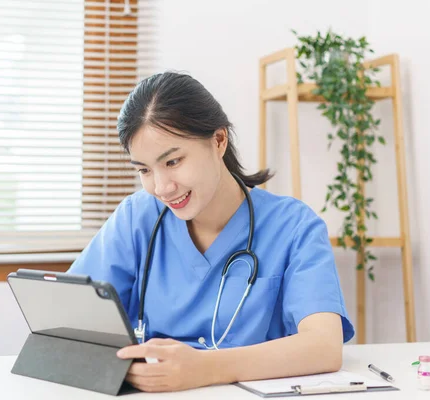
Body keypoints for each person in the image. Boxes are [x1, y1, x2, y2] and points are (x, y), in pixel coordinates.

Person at [68, 72, 354, 392]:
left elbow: (324, 347)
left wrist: (204, 368)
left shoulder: (294, 227)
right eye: (144, 170)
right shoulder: (137, 217)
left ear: (218, 141)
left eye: (173, 161)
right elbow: (68, 323)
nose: (161, 187)